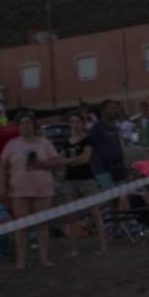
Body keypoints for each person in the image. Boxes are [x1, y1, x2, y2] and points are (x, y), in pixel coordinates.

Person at [0, 112, 60, 270]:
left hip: (43, 189)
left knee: (42, 226)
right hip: (19, 191)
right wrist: (2, 186)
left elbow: (57, 163)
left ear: (34, 126)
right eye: (22, 123)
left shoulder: (45, 143)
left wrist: (42, 164)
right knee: (21, 227)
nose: (25, 126)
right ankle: (21, 262)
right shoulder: (11, 144)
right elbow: (2, 167)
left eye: (28, 123)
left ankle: (44, 259)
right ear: (18, 127)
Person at [55, 110, 106, 258]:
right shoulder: (66, 142)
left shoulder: (88, 140)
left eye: (77, 122)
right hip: (70, 181)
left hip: (86, 180)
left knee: (95, 213)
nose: (75, 125)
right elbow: (60, 160)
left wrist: (68, 161)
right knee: (71, 215)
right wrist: (70, 161)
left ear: (82, 124)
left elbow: (85, 159)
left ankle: (102, 245)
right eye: (72, 122)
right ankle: (73, 248)